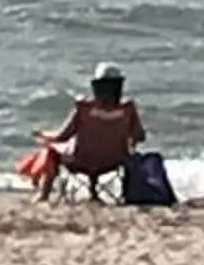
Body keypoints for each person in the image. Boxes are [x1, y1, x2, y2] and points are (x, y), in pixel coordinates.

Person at [29, 64, 146, 201]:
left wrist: (43, 135)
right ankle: (102, 193)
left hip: (81, 161)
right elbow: (140, 135)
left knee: (51, 151)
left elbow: (63, 136)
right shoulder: (128, 109)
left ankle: (44, 194)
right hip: (115, 161)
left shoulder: (84, 108)